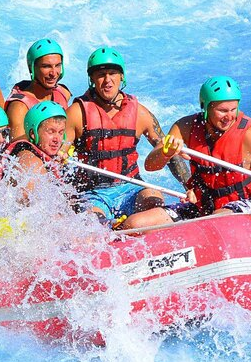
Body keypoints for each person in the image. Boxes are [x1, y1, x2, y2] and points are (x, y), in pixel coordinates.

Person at [126, 76, 251, 228]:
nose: (229, 116)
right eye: (222, 110)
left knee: (213, 222)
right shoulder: (185, 127)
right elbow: (150, 166)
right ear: (206, 107)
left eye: (234, 109)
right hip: (203, 206)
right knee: (135, 224)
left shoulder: (250, 136)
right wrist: (166, 152)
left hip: (248, 205)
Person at [63, 47, 190, 229]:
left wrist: (190, 187)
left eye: (113, 73)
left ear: (121, 76)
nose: (108, 80)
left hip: (132, 186)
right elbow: (57, 157)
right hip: (92, 194)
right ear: (91, 79)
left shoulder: (140, 113)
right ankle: (113, 229)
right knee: (94, 225)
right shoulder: (77, 113)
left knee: (154, 200)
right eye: (101, 74)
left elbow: (168, 152)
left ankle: (127, 227)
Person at [5, 38, 72, 141]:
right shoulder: (19, 107)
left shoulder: (63, 93)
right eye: (46, 66)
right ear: (32, 68)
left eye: (57, 66)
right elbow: (18, 147)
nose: (54, 73)